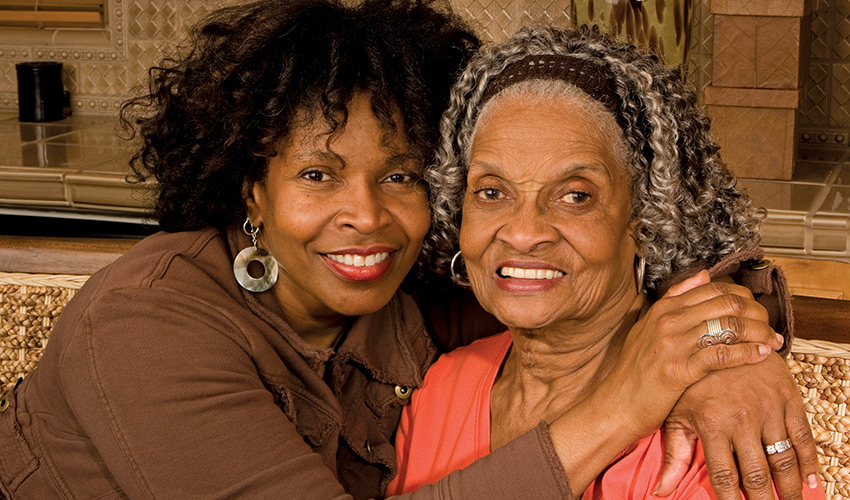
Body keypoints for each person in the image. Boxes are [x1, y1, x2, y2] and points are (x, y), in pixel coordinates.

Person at [0, 2, 815, 499]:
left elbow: (597, 270)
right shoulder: (147, 327)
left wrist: (729, 351)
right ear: (251, 186)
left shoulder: (414, 286)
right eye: (319, 173)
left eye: (399, 175)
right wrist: (626, 402)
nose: (366, 216)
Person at [390, 25, 825, 499]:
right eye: (491, 192)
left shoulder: (711, 433)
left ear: (644, 219)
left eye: (576, 196)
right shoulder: (439, 392)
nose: (523, 232)